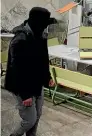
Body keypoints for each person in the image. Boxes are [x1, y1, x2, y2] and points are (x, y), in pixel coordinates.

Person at [5, 7, 56, 136]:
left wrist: (48, 77)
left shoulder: (41, 36)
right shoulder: (19, 40)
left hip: (37, 83)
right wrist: (25, 94)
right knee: (29, 120)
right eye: (44, 24)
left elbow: (44, 60)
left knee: (37, 115)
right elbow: (16, 70)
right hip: (22, 86)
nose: (45, 28)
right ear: (37, 23)